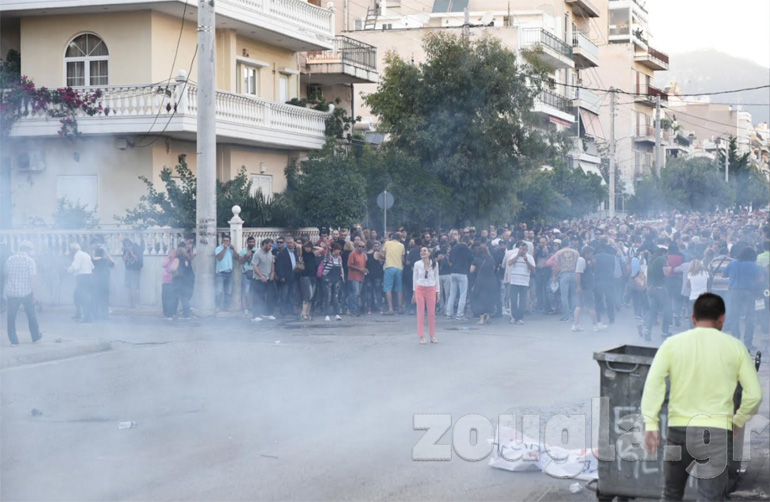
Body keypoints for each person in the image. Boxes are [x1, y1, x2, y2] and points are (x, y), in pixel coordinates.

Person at [641, 293, 762, 502]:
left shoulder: (672, 344)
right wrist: (739, 420)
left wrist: (651, 423)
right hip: (716, 434)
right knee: (711, 497)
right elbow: (754, 395)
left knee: (670, 494)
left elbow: (653, 384)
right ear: (722, 319)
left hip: (678, 432)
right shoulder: (736, 348)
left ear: (693, 318)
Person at [721, 246, 764, 352]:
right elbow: (761, 279)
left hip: (734, 291)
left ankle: (735, 340)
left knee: (735, 316)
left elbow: (723, 275)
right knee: (750, 317)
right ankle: (748, 343)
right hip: (749, 292)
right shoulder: (753, 265)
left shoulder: (733, 263)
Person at [4, 241, 43, 346]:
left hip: (12, 293)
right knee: (31, 316)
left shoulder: (9, 260)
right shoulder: (29, 261)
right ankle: (35, 337)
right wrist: (36, 294)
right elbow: (32, 279)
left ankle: (14, 341)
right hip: (26, 293)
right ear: (28, 250)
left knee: (11, 317)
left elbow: (6, 275)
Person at [572, 246, 607, 332]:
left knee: (580, 305)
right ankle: (595, 325)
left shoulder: (584, 261)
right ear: (586, 253)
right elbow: (578, 274)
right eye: (591, 254)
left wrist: (592, 262)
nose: (592, 255)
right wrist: (579, 286)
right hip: (585, 287)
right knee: (590, 306)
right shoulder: (581, 260)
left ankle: (575, 325)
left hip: (585, 286)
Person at [412, 246, 440, 344]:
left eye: (424, 251)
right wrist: (414, 292)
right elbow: (414, 279)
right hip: (420, 288)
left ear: (429, 253)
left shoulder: (435, 264)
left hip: (431, 289)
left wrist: (438, 292)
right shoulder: (417, 264)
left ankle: (432, 335)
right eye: (421, 251)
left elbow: (436, 278)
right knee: (420, 313)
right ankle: (421, 336)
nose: (422, 252)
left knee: (431, 313)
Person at [644, 246, 672, 341]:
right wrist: (669, 267)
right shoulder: (662, 259)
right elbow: (666, 273)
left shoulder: (651, 259)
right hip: (660, 288)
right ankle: (665, 331)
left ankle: (647, 330)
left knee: (653, 311)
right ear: (664, 252)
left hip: (650, 287)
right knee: (667, 310)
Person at [507, 241, 535, 325]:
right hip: (514, 281)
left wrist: (526, 261)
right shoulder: (514, 256)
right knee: (513, 300)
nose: (522, 251)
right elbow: (509, 263)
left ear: (526, 250)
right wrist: (518, 255)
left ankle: (520, 317)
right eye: (521, 249)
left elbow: (533, 268)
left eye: (524, 249)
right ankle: (513, 317)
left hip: (524, 281)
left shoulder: (530, 257)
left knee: (522, 301)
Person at [446, 235, 473, 320]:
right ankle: (459, 314)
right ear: (468, 242)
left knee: (452, 294)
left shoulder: (454, 248)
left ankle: (449, 313)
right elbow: (471, 260)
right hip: (463, 273)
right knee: (462, 294)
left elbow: (449, 259)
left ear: (461, 240)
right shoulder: (468, 250)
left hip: (453, 272)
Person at [470, 244, 497, 325]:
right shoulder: (491, 259)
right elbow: (493, 269)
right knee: (489, 299)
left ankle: (481, 319)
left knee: (480, 300)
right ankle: (488, 317)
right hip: (491, 280)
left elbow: (471, 270)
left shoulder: (476, 259)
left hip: (480, 281)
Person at [251, 238, 276, 322]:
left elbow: (272, 263)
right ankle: (255, 315)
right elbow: (254, 266)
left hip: (268, 279)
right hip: (258, 279)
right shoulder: (257, 254)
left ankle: (267, 313)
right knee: (258, 297)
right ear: (264, 244)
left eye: (271, 246)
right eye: (269, 246)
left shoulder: (270, 252)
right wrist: (261, 276)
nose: (270, 247)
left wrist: (272, 273)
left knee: (270, 297)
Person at [68, 242, 94, 323]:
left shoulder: (78, 255)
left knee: (83, 298)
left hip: (82, 278)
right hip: (88, 276)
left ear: (73, 250)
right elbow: (92, 266)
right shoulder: (85, 254)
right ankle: (79, 314)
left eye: (70, 250)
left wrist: (68, 269)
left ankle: (87, 317)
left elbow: (76, 267)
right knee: (78, 297)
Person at [275, 236, 300, 316]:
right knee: (284, 295)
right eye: (288, 243)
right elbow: (279, 265)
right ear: (286, 244)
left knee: (292, 294)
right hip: (285, 277)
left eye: (292, 243)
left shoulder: (295, 252)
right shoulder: (282, 253)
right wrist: (281, 276)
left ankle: (290, 309)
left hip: (294, 276)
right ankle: (283, 310)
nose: (290, 244)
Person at [382, 233, 405, 315]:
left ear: (392, 238)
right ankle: (400, 308)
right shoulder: (401, 245)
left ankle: (390, 308)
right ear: (399, 239)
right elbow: (402, 259)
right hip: (399, 268)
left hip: (389, 267)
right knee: (399, 288)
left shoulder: (387, 243)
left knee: (388, 288)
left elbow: (384, 255)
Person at [320, 242, 345, 321]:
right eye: (338, 250)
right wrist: (328, 248)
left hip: (336, 279)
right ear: (334, 250)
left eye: (340, 250)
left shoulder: (339, 258)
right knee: (328, 296)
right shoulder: (328, 257)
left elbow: (341, 267)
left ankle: (336, 314)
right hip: (327, 279)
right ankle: (327, 314)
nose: (339, 252)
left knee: (336, 297)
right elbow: (327, 254)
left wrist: (342, 276)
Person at [299, 240, 321, 321]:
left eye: (309, 247)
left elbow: (321, 249)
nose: (308, 249)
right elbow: (298, 247)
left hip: (313, 276)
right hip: (305, 276)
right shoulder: (303, 254)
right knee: (308, 295)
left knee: (311, 296)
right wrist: (303, 246)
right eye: (306, 247)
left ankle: (308, 313)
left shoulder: (312, 254)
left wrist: (313, 247)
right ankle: (303, 313)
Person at [91, 247, 115, 320]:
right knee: (105, 300)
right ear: (103, 254)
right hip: (105, 283)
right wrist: (109, 256)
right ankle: (105, 316)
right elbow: (114, 265)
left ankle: (95, 315)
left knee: (95, 299)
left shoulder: (93, 261)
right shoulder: (105, 260)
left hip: (95, 282)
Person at [173, 243, 195, 319]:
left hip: (181, 281)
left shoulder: (178, 260)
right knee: (185, 297)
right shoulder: (187, 260)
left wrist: (174, 274)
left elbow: (173, 269)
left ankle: (186, 314)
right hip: (189, 280)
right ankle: (186, 313)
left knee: (182, 297)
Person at [347, 241, 368, 316]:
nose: (361, 248)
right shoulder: (353, 254)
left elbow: (363, 265)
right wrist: (360, 269)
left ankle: (355, 309)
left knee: (357, 293)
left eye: (363, 247)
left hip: (361, 276)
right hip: (354, 276)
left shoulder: (363, 255)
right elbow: (349, 265)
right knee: (355, 293)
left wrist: (365, 270)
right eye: (359, 246)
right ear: (356, 246)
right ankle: (353, 310)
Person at [214, 236, 235, 311]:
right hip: (220, 273)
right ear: (222, 241)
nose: (226, 242)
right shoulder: (219, 248)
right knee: (219, 291)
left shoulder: (230, 249)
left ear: (229, 242)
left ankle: (227, 306)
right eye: (225, 241)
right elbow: (219, 257)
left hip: (229, 273)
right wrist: (225, 249)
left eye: (228, 241)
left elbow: (237, 257)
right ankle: (217, 306)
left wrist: (234, 249)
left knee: (228, 292)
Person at [122, 238, 143, 308]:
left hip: (135, 270)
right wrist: (127, 252)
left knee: (136, 287)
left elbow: (137, 259)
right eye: (125, 244)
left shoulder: (136, 248)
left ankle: (137, 304)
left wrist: (131, 252)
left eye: (127, 243)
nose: (126, 245)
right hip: (128, 270)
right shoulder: (125, 250)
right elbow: (124, 260)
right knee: (128, 287)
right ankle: (131, 304)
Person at [238, 236, 257, 314]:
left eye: (253, 242)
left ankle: (251, 307)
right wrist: (247, 256)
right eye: (250, 242)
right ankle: (245, 308)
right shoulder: (243, 251)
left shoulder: (257, 250)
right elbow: (240, 262)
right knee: (245, 291)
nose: (251, 243)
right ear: (247, 242)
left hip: (255, 273)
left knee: (254, 291)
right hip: (246, 274)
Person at [161, 247, 179, 320]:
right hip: (165, 281)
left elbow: (173, 269)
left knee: (173, 298)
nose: (171, 254)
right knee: (165, 298)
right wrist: (168, 258)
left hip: (173, 281)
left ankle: (172, 313)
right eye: (169, 252)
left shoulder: (176, 260)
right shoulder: (166, 258)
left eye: (172, 253)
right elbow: (163, 265)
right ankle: (166, 313)